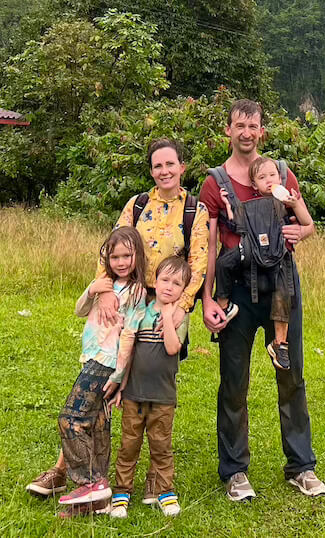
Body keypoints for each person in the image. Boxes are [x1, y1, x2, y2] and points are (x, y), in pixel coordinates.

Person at [26, 137, 208, 501]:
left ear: (182, 167)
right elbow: (112, 246)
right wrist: (105, 288)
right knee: (110, 388)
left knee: (150, 391)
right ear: (151, 170)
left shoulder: (194, 211)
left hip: (160, 312)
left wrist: (177, 311)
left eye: (170, 164)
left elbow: (198, 264)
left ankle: (154, 479)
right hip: (122, 305)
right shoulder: (137, 204)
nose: (164, 171)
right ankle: (71, 472)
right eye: (157, 165)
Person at [200, 99, 325, 502]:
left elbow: (307, 224)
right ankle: (235, 471)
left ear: (261, 131)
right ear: (228, 130)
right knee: (234, 383)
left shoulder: (282, 173)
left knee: (291, 375)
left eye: (253, 125)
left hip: (282, 286)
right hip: (237, 289)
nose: (246, 132)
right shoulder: (214, 183)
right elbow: (209, 244)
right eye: (239, 125)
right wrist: (207, 298)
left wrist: (300, 234)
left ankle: (300, 466)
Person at [55, 227, 147, 515]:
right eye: (114, 256)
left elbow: (130, 335)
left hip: (105, 363)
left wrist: (120, 376)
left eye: (126, 256)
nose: (120, 262)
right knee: (96, 426)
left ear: (137, 256)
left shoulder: (137, 292)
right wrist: (92, 289)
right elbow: (80, 309)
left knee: (70, 420)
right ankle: (98, 500)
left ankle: (88, 481)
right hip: (91, 358)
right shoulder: (103, 284)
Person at [110, 255, 192, 519]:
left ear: (183, 289)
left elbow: (172, 348)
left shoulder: (181, 317)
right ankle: (122, 492)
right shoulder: (140, 312)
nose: (169, 287)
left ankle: (164, 491)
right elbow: (129, 350)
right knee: (128, 445)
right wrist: (121, 385)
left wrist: (168, 316)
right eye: (165, 280)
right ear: (155, 281)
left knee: (161, 446)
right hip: (134, 394)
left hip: (163, 396)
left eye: (176, 283)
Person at [215, 155, 313, 371]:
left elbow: (307, 223)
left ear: (280, 178)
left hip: (277, 257)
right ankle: (223, 305)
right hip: (249, 255)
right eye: (262, 177)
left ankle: (280, 343)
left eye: (273, 175)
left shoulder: (286, 201)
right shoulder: (247, 203)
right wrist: (227, 205)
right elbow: (234, 223)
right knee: (223, 264)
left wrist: (295, 205)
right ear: (254, 185)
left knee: (283, 292)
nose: (269, 180)